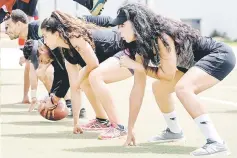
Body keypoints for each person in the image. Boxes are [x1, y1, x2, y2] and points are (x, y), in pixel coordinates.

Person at [107, 3, 235, 156]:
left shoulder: (161, 37)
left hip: (219, 55)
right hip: (192, 63)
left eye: (122, 25)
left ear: (136, 24)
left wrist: (138, 66)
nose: (119, 30)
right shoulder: (139, 46)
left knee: (183, 88)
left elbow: (167, 74)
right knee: (159, 88)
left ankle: (216, 142)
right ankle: (174, 131)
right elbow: (138, 89)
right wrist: (130, 128)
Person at [40, 10, 134, 139]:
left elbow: (93, 63)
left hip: (128, 50)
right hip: (116, 57)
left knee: (94, 76)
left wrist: (78, 80)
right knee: (84, 81)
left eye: (45, 36)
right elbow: (74, 88)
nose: (44, 41)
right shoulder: (67, 52)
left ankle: (118, 126)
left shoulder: (75, 38)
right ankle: (101, 120)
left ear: (56, 34)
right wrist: (76, 123)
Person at [4, 9, 86, 118]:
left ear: (19, 24)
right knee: (43, 71)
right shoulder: (30, 41)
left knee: (46, 72)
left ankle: (68, 103)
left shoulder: (38, 29)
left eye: (8, 26)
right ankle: (60, 101)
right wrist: (28, 96)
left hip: (78, 56)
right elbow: (31, 68)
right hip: (67, 62)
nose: (6, 31)